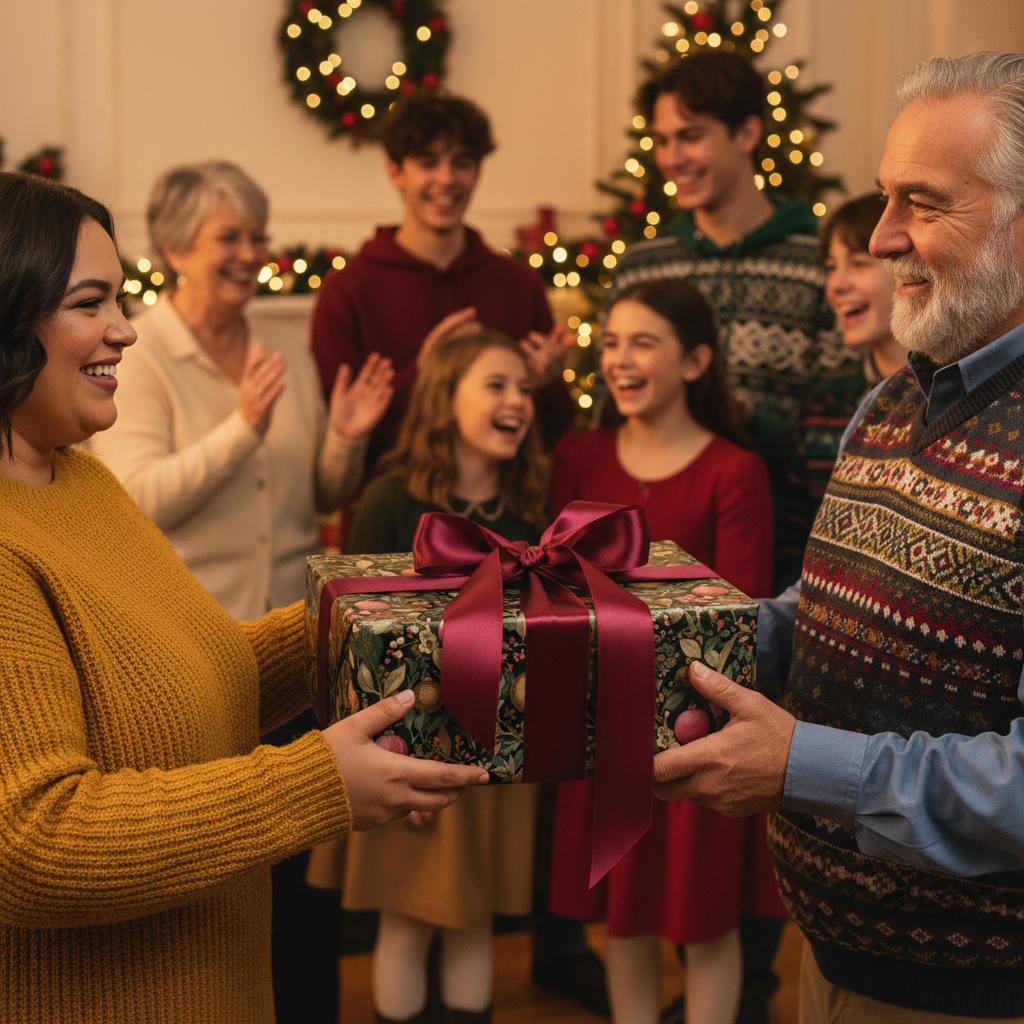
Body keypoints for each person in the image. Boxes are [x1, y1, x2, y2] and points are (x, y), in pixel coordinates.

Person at [0, 170, 487, 1024]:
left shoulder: (77, 479)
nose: (124, 330)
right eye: (91, 303)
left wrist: (376, 613)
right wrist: (312, 784)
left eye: (119, 298)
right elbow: (33, 841)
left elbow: (197, 674)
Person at [653, 51, 1024, 1022]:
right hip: (825, 963)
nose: (886, 236)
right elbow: (823, 607)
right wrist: (687, 641)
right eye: (881, 198)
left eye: (924, 204)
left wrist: (805, 769)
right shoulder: (891, 401)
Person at [88, 160, 394, 1024]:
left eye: (257, 237)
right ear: (179, 246)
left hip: (295, 656)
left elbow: (316, 496)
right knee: (225, 895)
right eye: (232, 237)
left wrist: (342, 441)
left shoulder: (278, 348)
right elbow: (137, 499)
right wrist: (241, 428)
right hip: (197, 664)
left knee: (304, 896)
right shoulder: (137, 356)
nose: (251, 253)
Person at [546, 280, 784, 1024]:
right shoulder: (578, 456)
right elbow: (549, 592)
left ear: (694, 361)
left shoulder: (732, 471)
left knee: (704, 923)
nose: (620, 359)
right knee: (624, 920)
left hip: (696, 737)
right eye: (610, 342)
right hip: (602, 734)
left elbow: (737, 618)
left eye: (642, 342)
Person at [342, 330, 547, 1024]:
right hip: (409, 756)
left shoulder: (531, 511)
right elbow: (359, 647)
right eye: (496, 385)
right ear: (445, 399)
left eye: (523, 388)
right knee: (407, 922)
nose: (516, 400)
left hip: (496, 761)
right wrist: (400, 769)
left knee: (473, 921)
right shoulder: (392, 501)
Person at [609, 50, 858, 594]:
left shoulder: (818, 262)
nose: (672, 157)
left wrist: (738, 420)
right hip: (649, 560)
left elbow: (840, 435)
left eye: (690, 136)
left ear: (747, 133)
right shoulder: (641, 268)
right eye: (662, 139)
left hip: (790, 563)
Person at [310, 89, 573, 474]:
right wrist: (424, 374)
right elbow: (335, 445)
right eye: (427, 162)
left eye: (462, 163)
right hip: (391, 518)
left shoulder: (519, 284)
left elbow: (554, 440)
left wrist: (544, 386)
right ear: (395, 172)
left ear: (478, 171)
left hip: (501, 522)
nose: (447, 179)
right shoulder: (347, 291)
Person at [799, 194, 908, 511]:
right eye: (831, 267)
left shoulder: (957, 397)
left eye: (859, 264)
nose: (836, 286)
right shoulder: (824, 403)